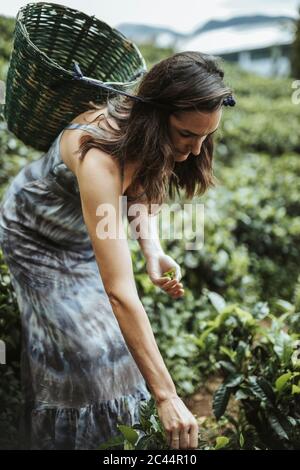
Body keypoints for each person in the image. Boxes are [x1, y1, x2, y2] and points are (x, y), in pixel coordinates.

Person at [0, 51, 235, 450]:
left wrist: (152, 250)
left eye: (205, 137)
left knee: (116, 348)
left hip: (81, 233)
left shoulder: (149, 135)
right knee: (87, 353)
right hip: (35, 238)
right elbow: (120, 292)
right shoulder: (99, 159)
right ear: (157, 117)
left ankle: (116, 443)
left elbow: (141, 183)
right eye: (187, 136)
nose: (196, 151)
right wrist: (166, 395)